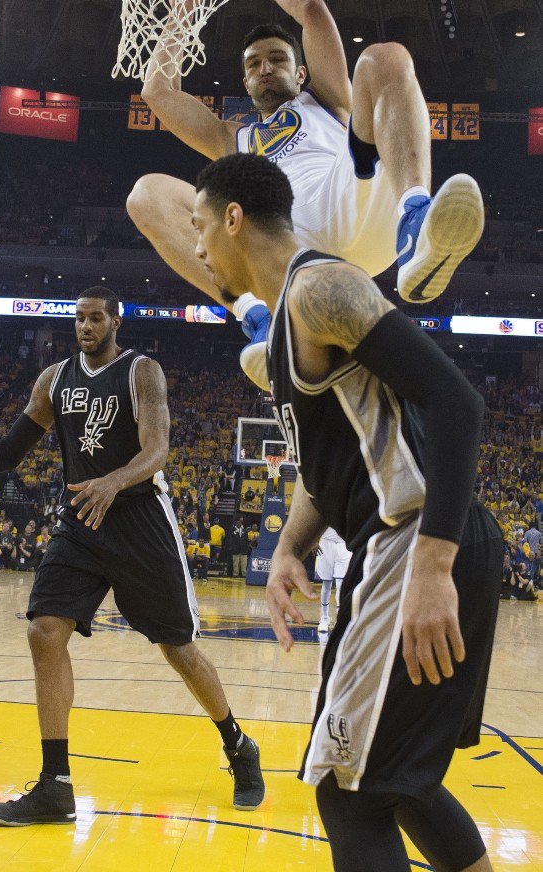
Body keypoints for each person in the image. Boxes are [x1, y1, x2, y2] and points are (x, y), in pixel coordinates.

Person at [189, 152, 502, 872]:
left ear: (234, 218)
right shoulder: (286, 329)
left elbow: (457, 401)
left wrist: (432, 563)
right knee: (399, 783)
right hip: (418, 538)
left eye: (202, 228)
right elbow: (332, 469)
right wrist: (291, 546)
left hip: (415, 542)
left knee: (345, 790)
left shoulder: (321, 287)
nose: (200, 249)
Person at [0, 285, 265, 826]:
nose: (86, 327)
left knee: (178, 649)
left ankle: (238, 744)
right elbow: (11, 450)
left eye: (96, 318)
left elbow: (158, 449)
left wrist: (113, 483)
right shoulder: (54, 379)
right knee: (44, 630)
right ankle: (56, 785)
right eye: (80, 320)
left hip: (140, 518)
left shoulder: (142, 371)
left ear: (116, 322)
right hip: (81, 520)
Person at [127, 0, 484, 392]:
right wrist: (182, 12)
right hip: (292, 248)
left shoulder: (326, 99)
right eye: (254, 64)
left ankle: (416, 227)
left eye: (277, 59)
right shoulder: (230, 140)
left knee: (384, 57)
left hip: (354, 202)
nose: (265, 68)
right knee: (145, 194)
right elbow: (158, 93)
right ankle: (261, 320)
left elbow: (313, 11)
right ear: (244, 83)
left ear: (300, 74)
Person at [314, 527, 352, 635]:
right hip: (325, 543)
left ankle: (339, 619)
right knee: (326, 583)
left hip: (344, 544)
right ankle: (324, 617)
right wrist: (313, 541)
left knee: (341, 584)